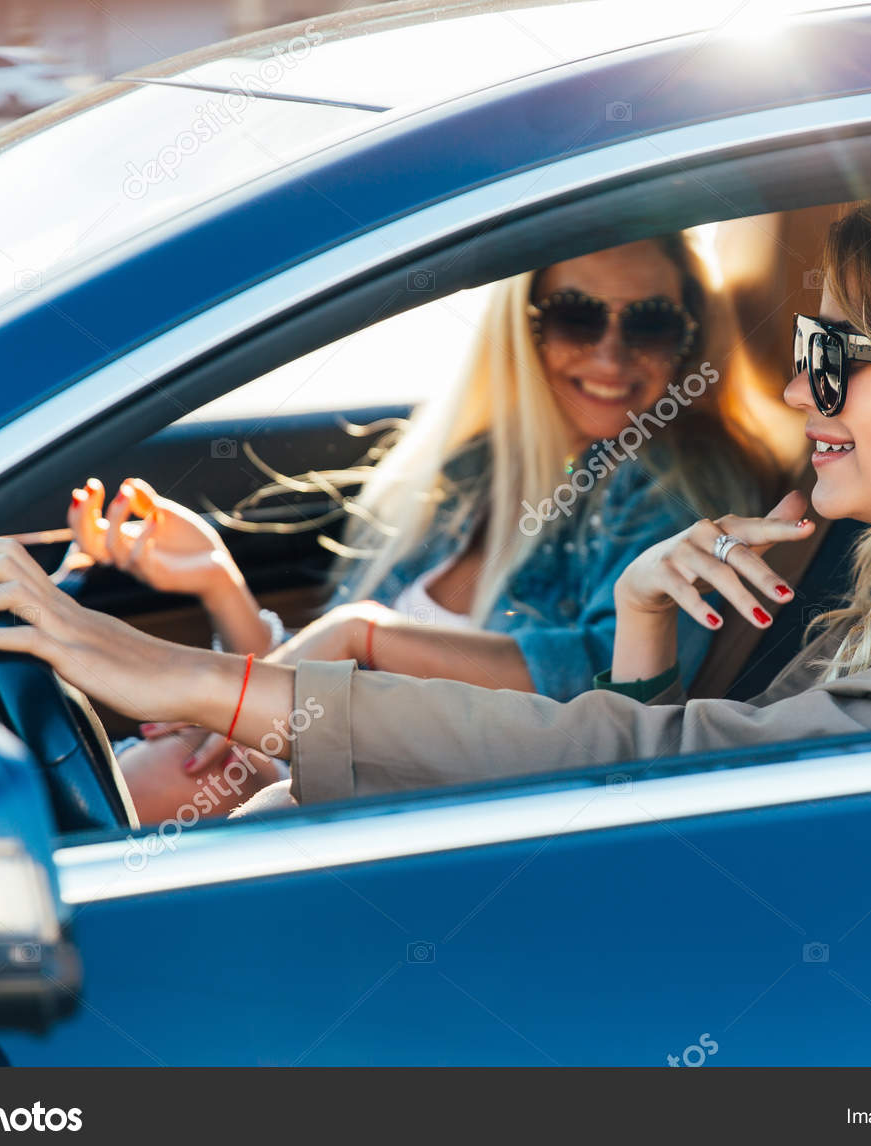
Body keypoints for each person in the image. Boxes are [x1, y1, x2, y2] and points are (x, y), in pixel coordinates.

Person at [0, 186, 871, 814]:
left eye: (836, 356)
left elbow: (672, 777)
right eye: (804, 347)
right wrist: (648, 622)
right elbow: (672, 780)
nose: (797, 385)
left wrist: (193, 677)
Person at [40, 232, 780, 819]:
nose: (610, 354)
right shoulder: (473, 472)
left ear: (689, 339)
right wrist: (222, 586)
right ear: (524, 327)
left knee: (140, 785)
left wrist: (367, 632)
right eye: (576, 317)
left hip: (435, 811)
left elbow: (609, 694)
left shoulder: (674, 487)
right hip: (335, 766)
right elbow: (315, 691)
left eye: (650, 324)